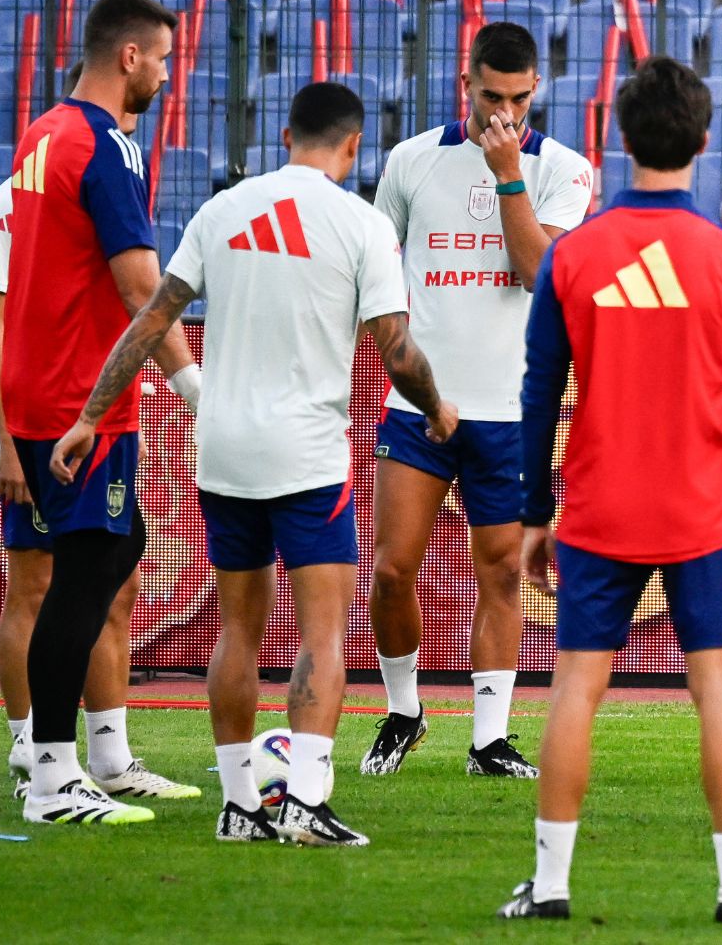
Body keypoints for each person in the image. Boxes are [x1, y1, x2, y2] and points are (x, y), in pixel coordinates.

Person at [55, 82, 457, 846]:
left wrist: (86, 416)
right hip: (306, 455)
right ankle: (305, 797)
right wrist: (436, 407)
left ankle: (241, 806)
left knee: (237, 632)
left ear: (283, 135)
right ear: (351, 146)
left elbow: (152, 319)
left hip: (225, 451)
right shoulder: (362, 224)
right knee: (322, 635)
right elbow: (397, 350)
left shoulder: (221, 210)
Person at [499, 57, 722, 924]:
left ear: (622, 139)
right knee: (719, 695)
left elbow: (537, 392)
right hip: (704, 510)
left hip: (599, 509)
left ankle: (551, 886)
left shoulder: (574, 255)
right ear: (705, 142)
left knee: (574, 694)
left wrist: (534, 514)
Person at [362, 21, 594, 779]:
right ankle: (404, 711)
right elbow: (377, 277)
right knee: (393, 570)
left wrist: (507, 174)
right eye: (492, 96)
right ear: (467, 82)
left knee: (500, 571)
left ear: (537, 91)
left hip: (511, 410)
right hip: (421, 406)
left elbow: (539, 272)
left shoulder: (563, 169)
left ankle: (489, 740)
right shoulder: (411, 162)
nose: (506, 113)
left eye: (520, 99)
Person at [5, 0, 203, 826]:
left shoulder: (42, 132)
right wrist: (196, 388)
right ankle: (52, 778)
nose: (165, 73)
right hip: (78, 393)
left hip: (36, 381)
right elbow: (139, 287)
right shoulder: (107, 145)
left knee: (118, 550)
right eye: (162, 58)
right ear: (129, 56)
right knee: (82, 580)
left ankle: (105, 758)